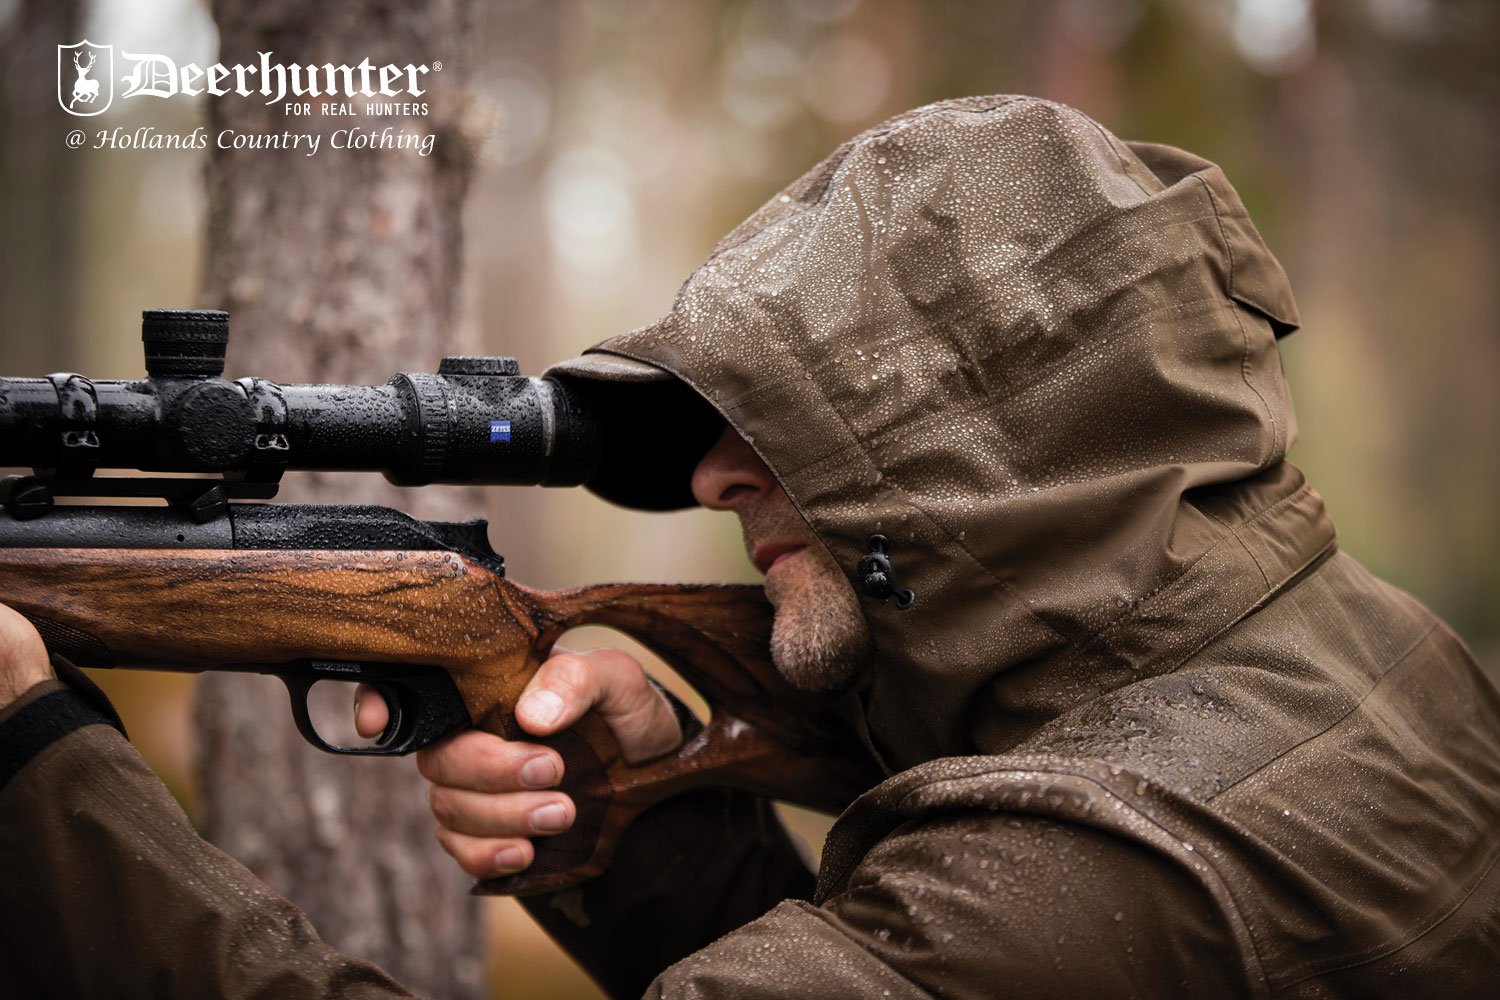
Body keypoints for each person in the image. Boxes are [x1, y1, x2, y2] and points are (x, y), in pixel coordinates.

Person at [3, 96, 1499, 998]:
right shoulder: (1373, 647)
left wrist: (37, 762)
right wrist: (648, 803)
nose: (715, 475)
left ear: (990, 459)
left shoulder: (1078, 886)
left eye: (794, 430)